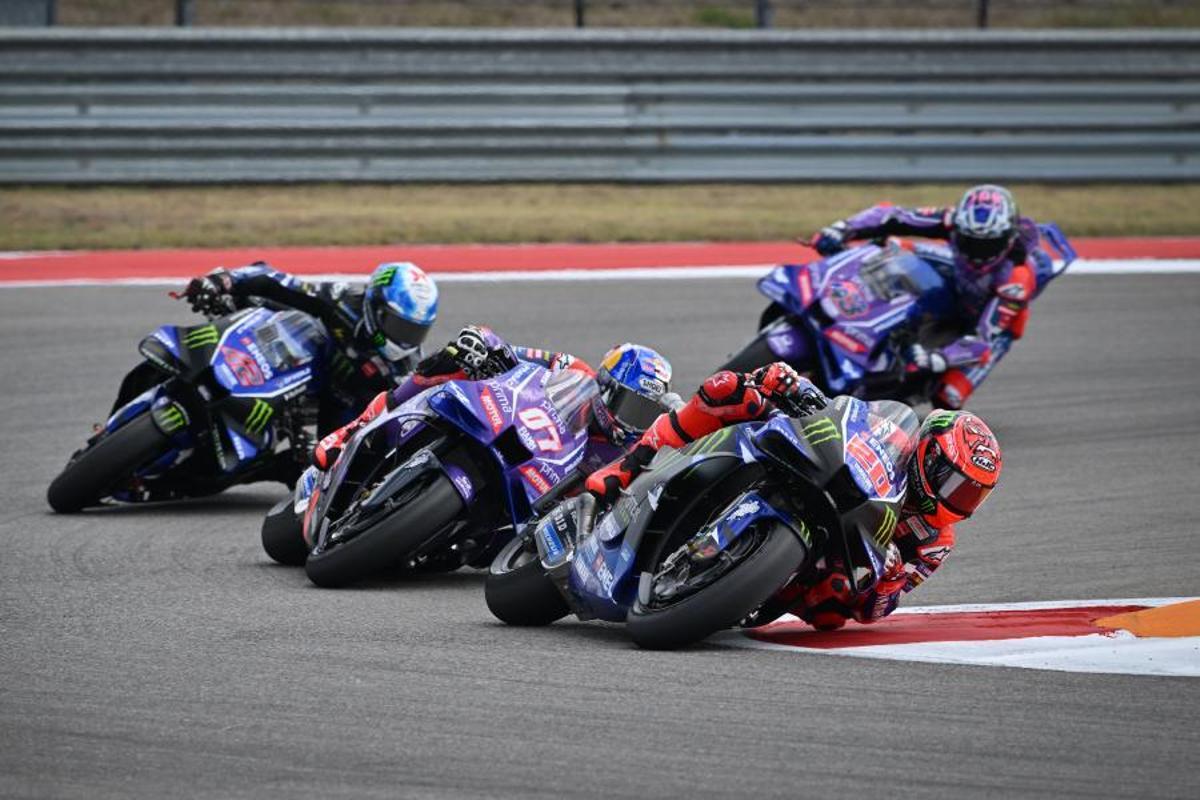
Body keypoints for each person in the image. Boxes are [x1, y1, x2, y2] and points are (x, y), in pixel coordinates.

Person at [583, 362, 1002, 630]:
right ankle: (628, 465)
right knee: (731, 389)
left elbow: (876, 611)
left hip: (827, 559)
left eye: (971, 495)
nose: (958, 501)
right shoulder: (893, 435)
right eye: (954, 485)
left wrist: (889, 580)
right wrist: (796, 386)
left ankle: (736, 588)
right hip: (819, 467)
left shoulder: (934, 541)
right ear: (929, 455)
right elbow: (846, 415)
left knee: (833, 610)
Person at [310, 325, 677, 478]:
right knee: (459, 355)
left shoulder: (634, 449)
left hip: (537, 503)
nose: (631, 420)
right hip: (509, 427)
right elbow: (513, 352)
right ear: (606, 385)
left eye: (643, 412)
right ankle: (354, 430)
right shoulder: (574, 370)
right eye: (630, 405)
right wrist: (483, 346)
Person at [809, 184, 1047, 409]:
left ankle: (890, 397)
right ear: (959, 228)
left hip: (989, 324)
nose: (977, 253)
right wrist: (841, 228)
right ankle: (857, 317)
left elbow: (983, 340)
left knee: (949, 398)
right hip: (958, 283)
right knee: (892, 251)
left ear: (1008, 239)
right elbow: (892, 215)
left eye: (988, 245)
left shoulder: (1017, 279)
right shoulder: (951, 220)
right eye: (969, 242)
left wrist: (937, 359)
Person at [182, 260, 438, 430]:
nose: (405, 339)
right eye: (399, 326)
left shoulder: (405, 370)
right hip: (288, 364)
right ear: (374, 305)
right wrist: (225, 280)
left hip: (339, 414)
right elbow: (276, 280)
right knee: (262, 304)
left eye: (415, 331)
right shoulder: (342, 301)